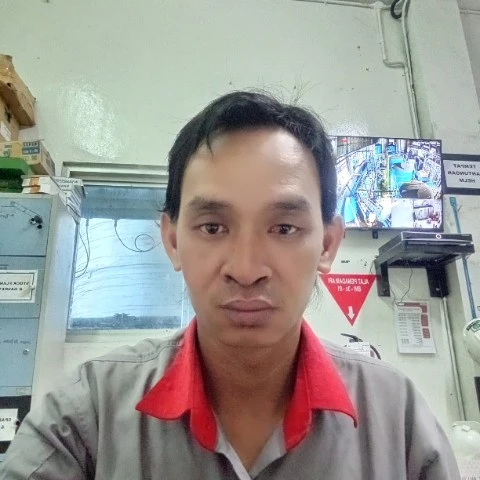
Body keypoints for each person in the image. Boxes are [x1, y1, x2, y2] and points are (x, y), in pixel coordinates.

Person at [0, 92, 460, 479]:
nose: (246, 269)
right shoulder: (85, 417)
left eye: (284, 228)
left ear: (327, 244)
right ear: (172, 241)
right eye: (213, 227)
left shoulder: (398, 420)